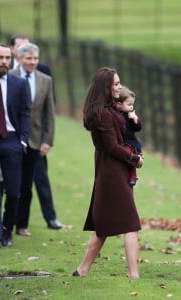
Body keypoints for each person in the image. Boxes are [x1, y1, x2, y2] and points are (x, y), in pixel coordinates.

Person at [72, 67, 143, 278]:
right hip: (111, 171)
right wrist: (135, 159)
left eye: (119, 83)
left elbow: (125, 136)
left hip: (116, 169)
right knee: (131, 223)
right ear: (105, 87)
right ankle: (134, 274)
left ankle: (82, 269)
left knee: (103, 225)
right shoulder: (103, 114)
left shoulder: (111, 109)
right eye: (115, 83)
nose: (119, 87)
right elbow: (112, 147)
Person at [9, 34, 62, 230]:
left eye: (35, 58)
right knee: (9, 184)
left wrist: (48, 140)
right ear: (19, 57)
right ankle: (7, 223)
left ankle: (28, 223)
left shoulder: (45, 79)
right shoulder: (9, 76)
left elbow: (50, 111)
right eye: (28, 58)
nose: (32, 61)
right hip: (11, 139)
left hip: (36, 140)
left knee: (35, 182)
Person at [0, 43, 30, 249]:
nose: (4, 62)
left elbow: (26, 112)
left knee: (14, 192)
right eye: (0, 57)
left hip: (12, 140)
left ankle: (7, 230)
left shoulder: (18, 84)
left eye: (7, 58)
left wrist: (22, 140)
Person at [114, 86, 142, 186]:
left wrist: (135, 119)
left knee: (129, 154)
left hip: (130, 142)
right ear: (119, 104)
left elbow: (138, 128)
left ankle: (133, 175)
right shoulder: (115, 114)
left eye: (132, 104)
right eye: (129, 104)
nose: (131, 107)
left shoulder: (130, 115)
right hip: (121, 141)